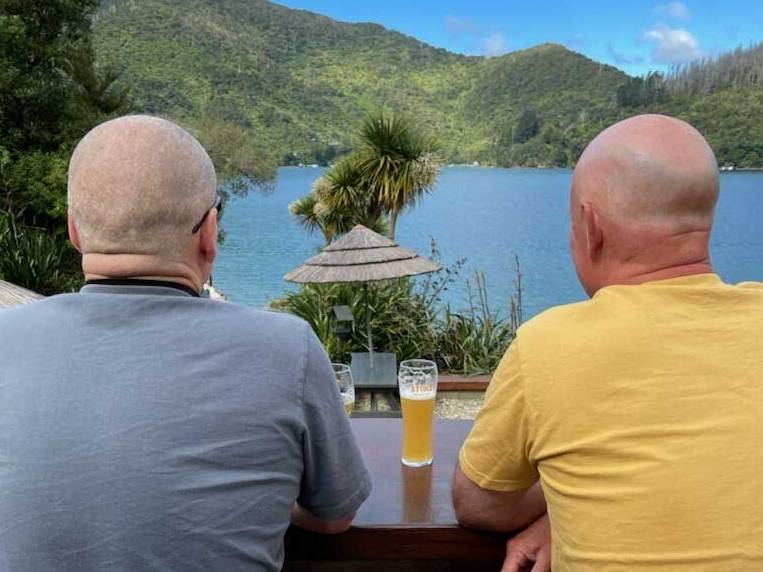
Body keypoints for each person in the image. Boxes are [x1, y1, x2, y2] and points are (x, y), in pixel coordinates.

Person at [0, 115, 371, 572]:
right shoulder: (286, 348)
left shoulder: (6, 340)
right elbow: (336, 515)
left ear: (75, 231)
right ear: (210, 233)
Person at [453, 114, 763, 571]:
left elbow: (480, 504)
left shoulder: (547, 346)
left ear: (590, 228)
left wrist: (563, 505)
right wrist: (567, 515)